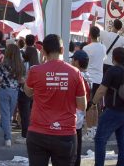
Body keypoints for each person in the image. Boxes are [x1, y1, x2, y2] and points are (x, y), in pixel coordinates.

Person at [24, 34, 86, 166]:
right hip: (65, 134)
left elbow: (28, 92)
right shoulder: (75, 73)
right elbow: (82, 106)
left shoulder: (35, 71)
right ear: (63, 50)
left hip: (38, 133)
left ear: (43, 52)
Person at [91, 47, 124, 166]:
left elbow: (101, 90)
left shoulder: (112, 71)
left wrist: (93, 103)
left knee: (100, 139)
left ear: (113, 58)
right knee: (122, 141)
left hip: (114, 110)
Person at [0, 42, 25, 147]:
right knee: (8, 115)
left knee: (5, 114)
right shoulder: (20, 64)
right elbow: (22, 79)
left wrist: (5, 78)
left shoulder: (3, 63)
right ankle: (2, 134)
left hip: (4, 89)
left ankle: (7, 138)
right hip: (15, 91)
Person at [70, 50, 90, 166]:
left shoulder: (77, 76)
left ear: (77, 62)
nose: (71, 62)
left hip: (73, 115)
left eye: (73, 60)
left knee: (71, 152)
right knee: (77, 149)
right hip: (81, 116)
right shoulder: (88, 76)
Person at [82, 26, 106, 96]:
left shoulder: (85, 48)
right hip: (99, 78)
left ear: (90, 35)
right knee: (96, 102)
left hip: (87, 78)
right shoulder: (103, 48)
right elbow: (103, 59)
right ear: (99, 35)